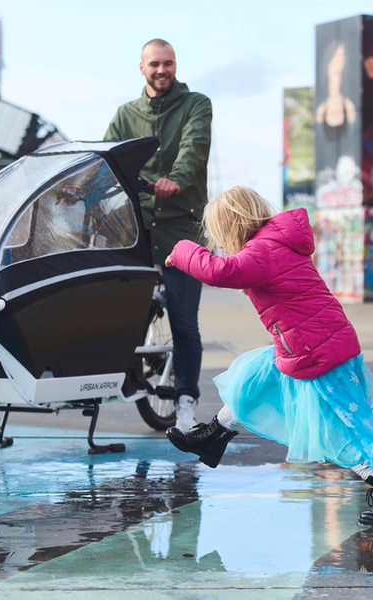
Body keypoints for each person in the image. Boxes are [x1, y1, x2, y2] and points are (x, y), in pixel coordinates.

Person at [164, 185, 373, 526]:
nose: (221, 242)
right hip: (305, 344)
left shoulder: (262, 252)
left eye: (220, 233)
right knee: (253, 377)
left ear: (232, 225)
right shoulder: (274, 243)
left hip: (319, 350)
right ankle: (214, 436)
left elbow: (219, 272)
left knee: (344, 425)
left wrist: (181, 250)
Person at [104, 38, 212, 429]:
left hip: (181, 224)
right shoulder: (125, 114)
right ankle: (131, 372)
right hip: (136, 226)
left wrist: (176, 180)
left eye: (168, 63)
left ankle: (185, 400)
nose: (161, 70)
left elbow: (194, 148)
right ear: (141, 67)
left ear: (175, 65)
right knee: (111, 304)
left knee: (184, 321)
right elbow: (108, 158)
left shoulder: (195, 104)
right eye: (154, 64)